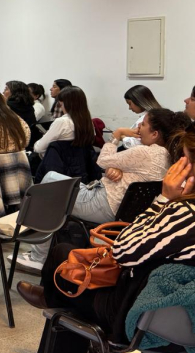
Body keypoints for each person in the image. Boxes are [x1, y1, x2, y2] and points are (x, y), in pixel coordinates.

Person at [17, 119, 195, 353]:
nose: (179, 166)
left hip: (137, 319)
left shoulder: (191, 214)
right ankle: (53, 305)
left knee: (64, 262)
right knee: (70, 275)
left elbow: (123, 251)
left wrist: (165, 199)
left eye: (184, 159)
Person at [20, 108, 185, 272]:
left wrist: (117, 135)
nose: (138, 127)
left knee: (49, 185)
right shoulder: (166, 156)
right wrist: (116, 168)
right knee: (53, 181)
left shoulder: (145, 152)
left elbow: (102, 160)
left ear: (155, 134)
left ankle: (38, 256)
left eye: (143, 124)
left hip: (101, 204)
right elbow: (123, 167)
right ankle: (41, 253)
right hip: (118, 208)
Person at [33, 86, 93, 157]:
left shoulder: (62, 122)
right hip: (82, 161)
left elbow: (38, 148)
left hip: (59, 161)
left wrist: (44, 137)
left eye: (60, 104)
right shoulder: (88, 122)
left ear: (65, 104)